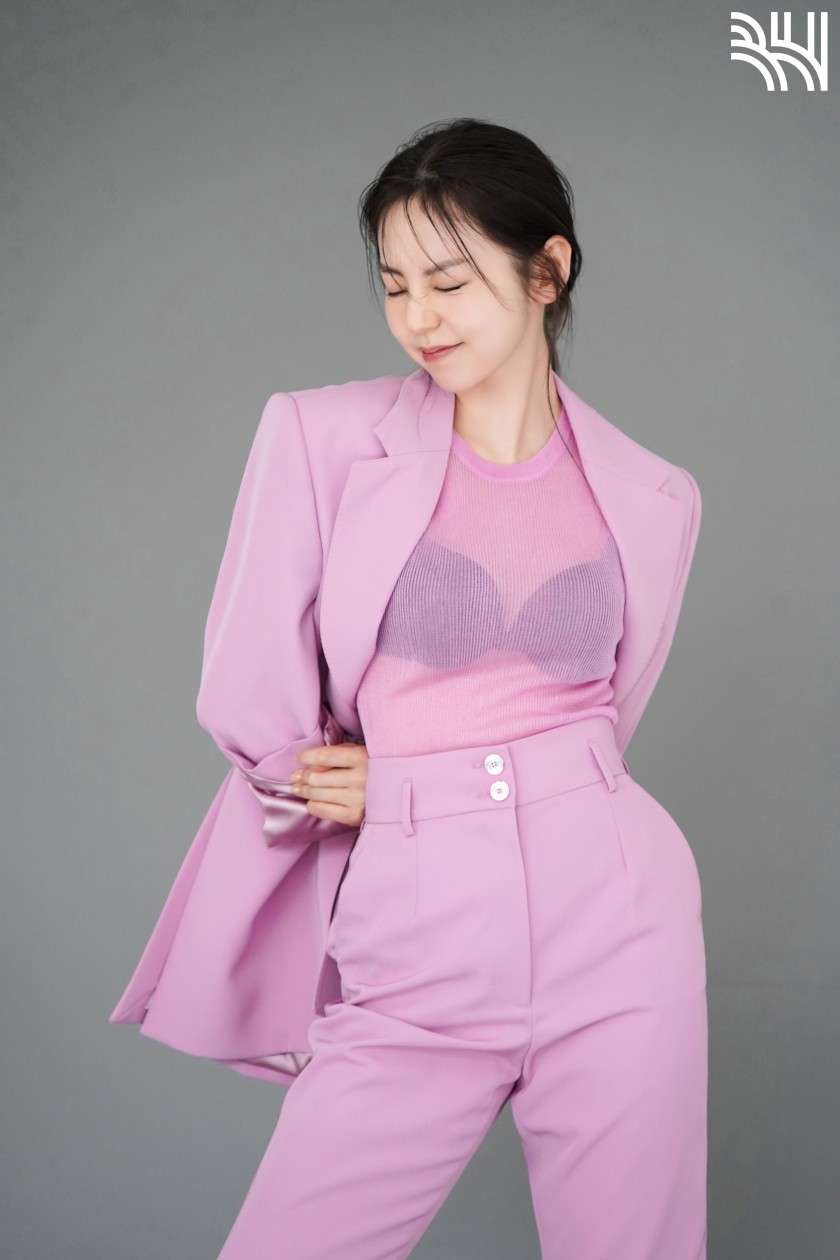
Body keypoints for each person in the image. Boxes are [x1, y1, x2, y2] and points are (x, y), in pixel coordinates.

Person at [111, 118, 707, 1258]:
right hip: (417, 926)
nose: (419, 317)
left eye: (450, 281)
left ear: (546, 271)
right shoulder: (322, 438)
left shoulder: (656, 493)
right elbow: (248, 689)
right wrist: (358, 782)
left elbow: (606, 720)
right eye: (395, 287)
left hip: (621, 923)